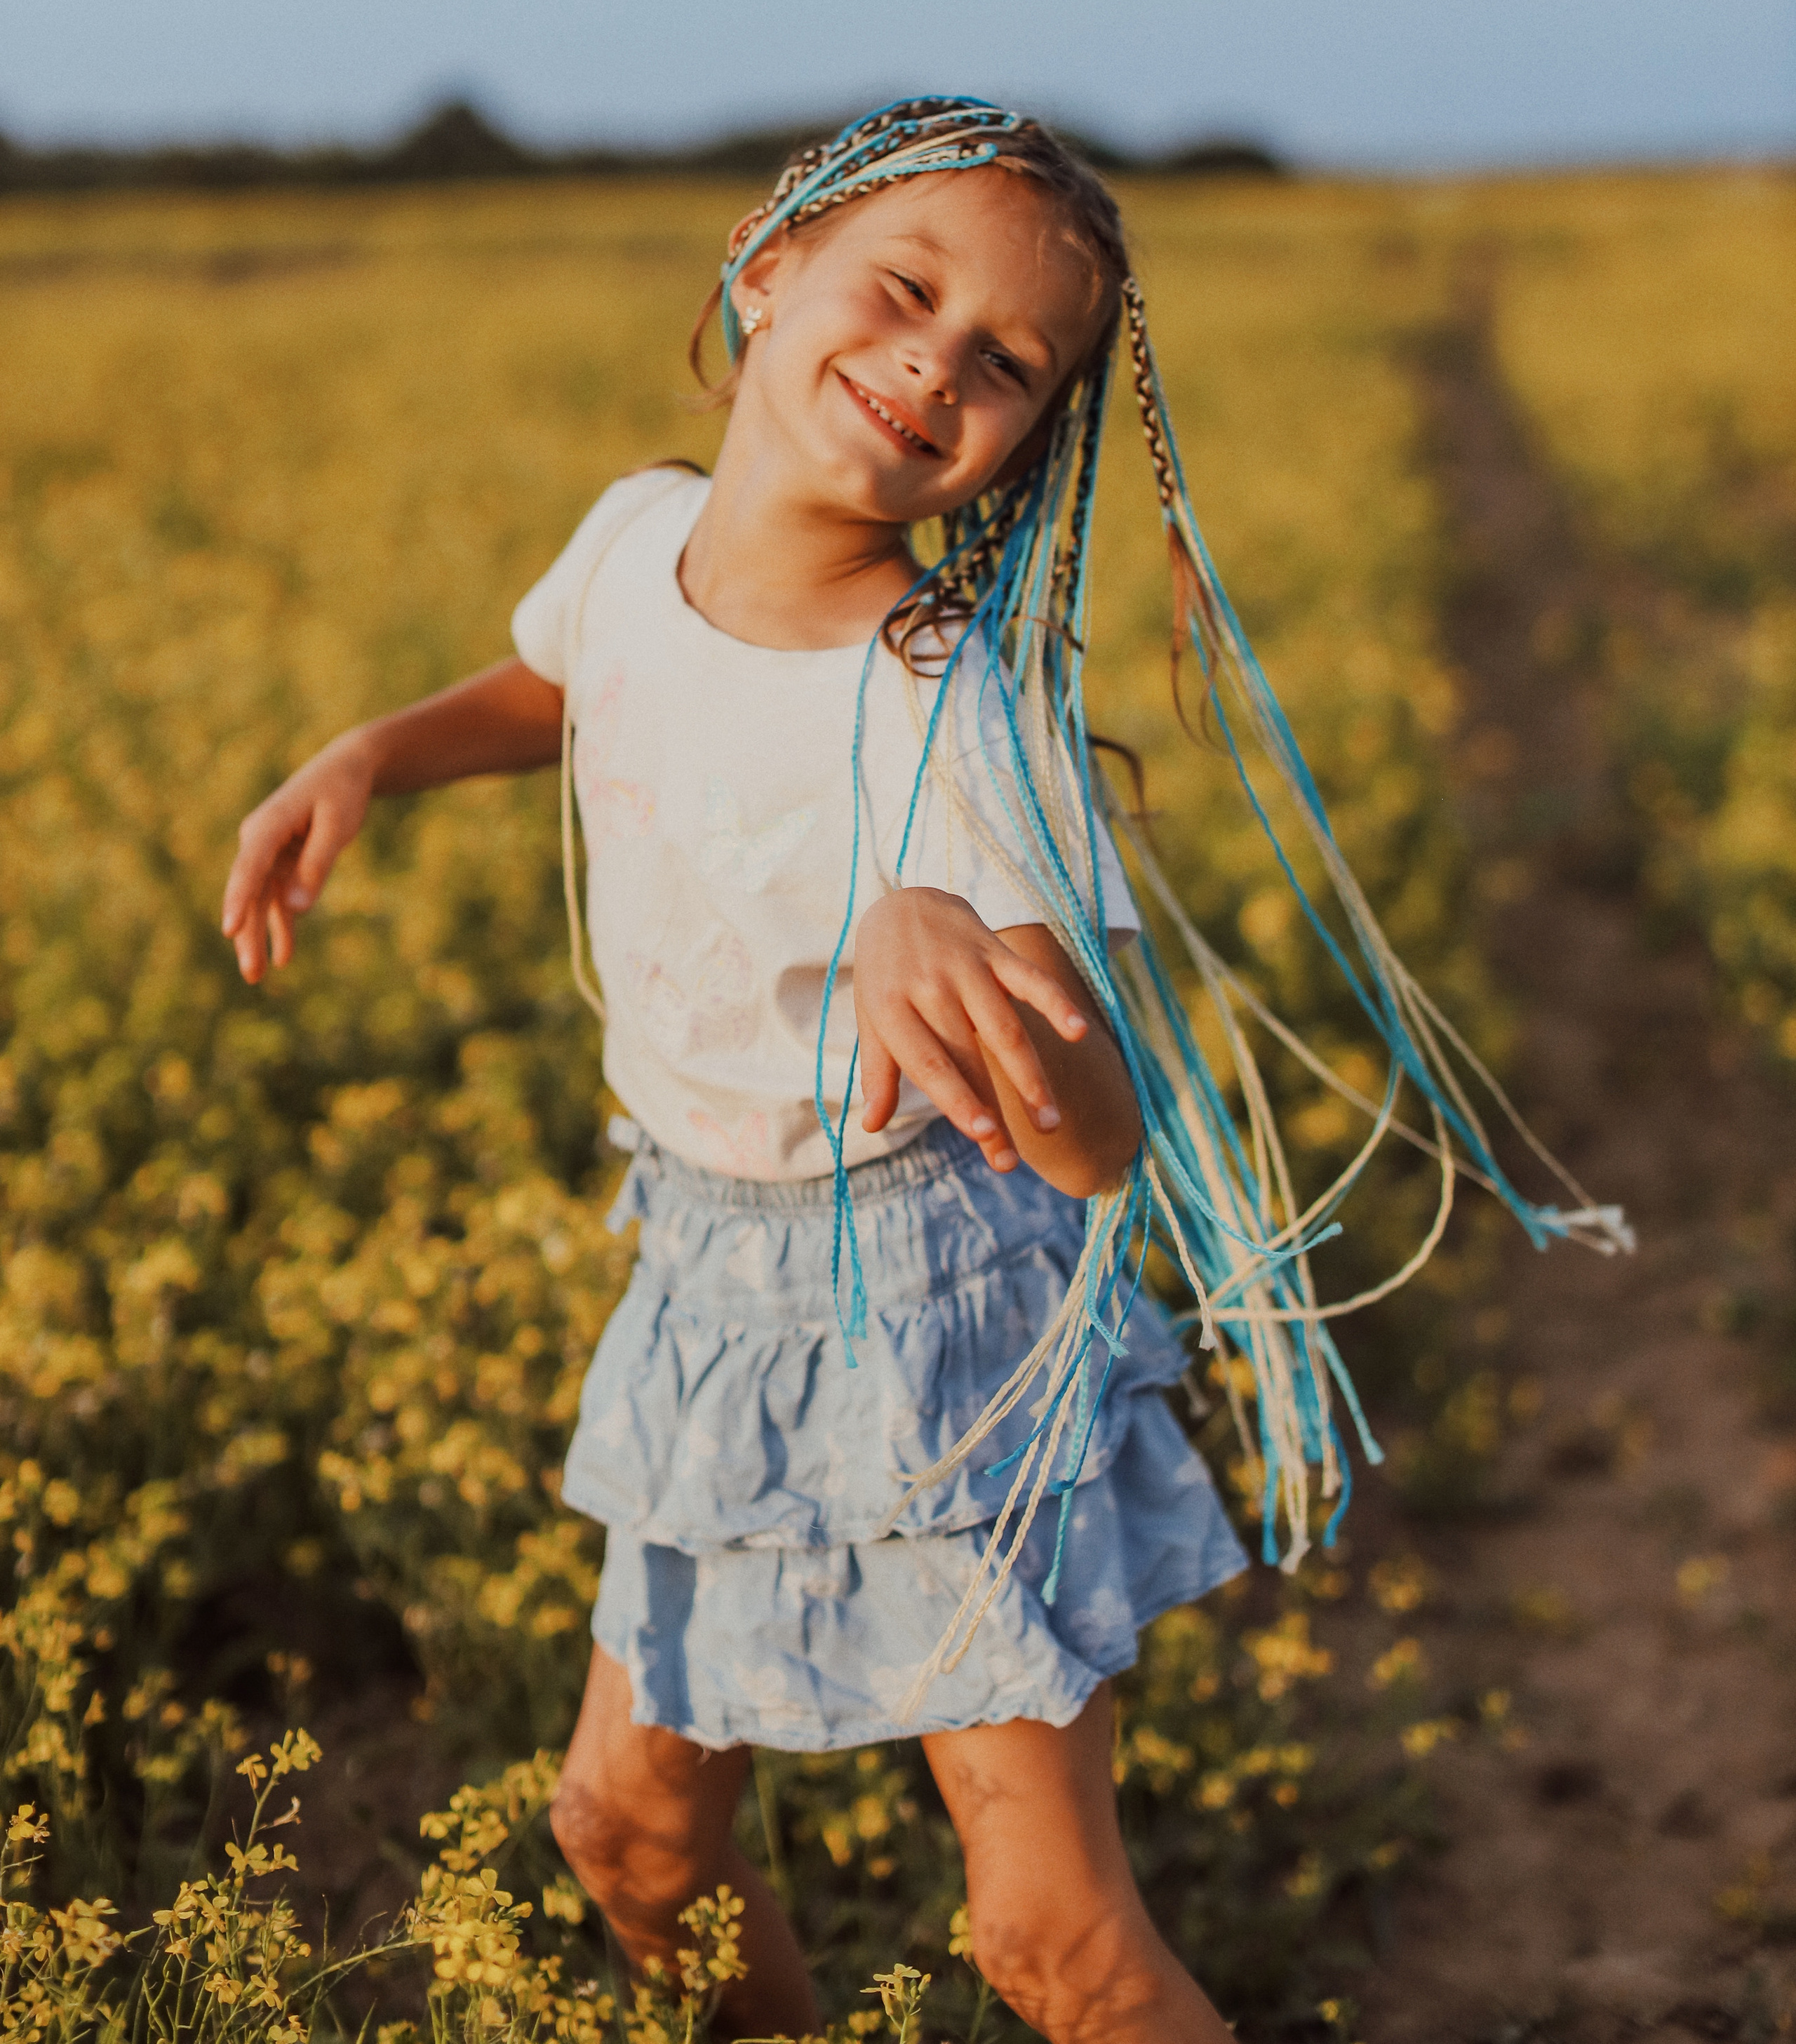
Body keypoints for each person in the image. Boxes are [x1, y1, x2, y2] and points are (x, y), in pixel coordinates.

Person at [222, 100, 1624, 2043]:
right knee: (628, 1839)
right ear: (766, 263)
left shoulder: (952, 705)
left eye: (1004, 366)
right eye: (903, 288)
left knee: (1050, 1945)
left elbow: (1100, 1138)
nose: (932, 364)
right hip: (710, 1282)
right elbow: (575, 677)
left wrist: (939, 947)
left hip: (944, 1321)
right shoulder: (635, 536)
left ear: (1026, 448)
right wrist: (373, 752)